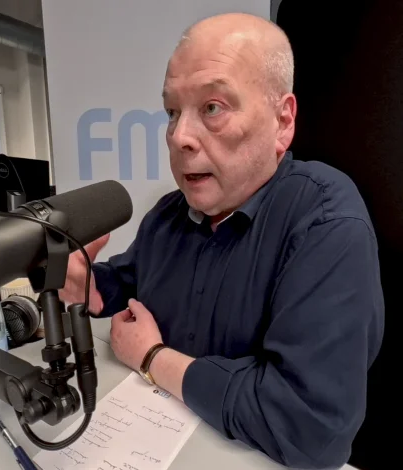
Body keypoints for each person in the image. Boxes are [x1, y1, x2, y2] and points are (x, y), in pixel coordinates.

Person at [61, 12, 384, 469]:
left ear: (282, 121)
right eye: (172, 112)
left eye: (212, 107)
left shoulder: (326, 222)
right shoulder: (167, 216)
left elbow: (309, 428)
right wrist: (92, 288)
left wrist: (153, 358)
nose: (179, 136)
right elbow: (130, 283)